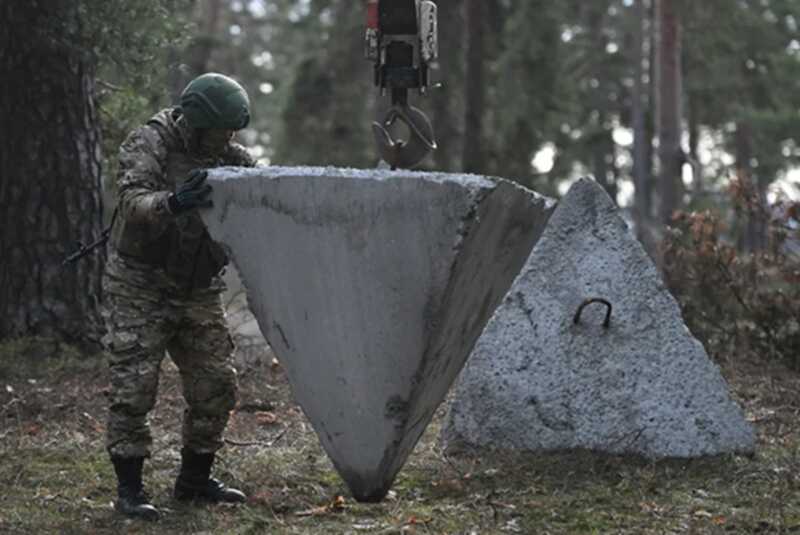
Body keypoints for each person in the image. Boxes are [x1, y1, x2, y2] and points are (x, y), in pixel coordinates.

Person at [102, 73, 256, 521]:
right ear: (197, 122)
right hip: (141, 284)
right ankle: (130, 490)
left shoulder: (230, 156)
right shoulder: (150, 142)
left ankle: (193, 482)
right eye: (221, 129)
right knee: (134, 389)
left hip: (197, 288)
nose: (228, 138)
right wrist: (172, 203)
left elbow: (263, 196)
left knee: (216, 386)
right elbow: (131, 201)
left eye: (232, 131)